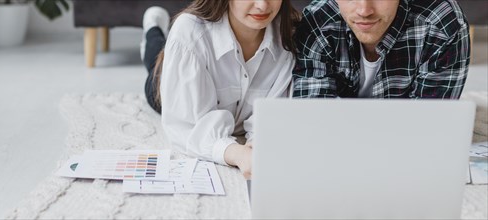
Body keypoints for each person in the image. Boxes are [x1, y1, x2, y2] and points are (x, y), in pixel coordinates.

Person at [140, 0, 300, 179]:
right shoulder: (190, 32)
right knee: (154, 59)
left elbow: (276, 112)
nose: (262, 5)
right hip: (169, 81)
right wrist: (235, 153)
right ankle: (153, 28)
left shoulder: (290, 37)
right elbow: (184, 128)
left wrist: (258, 145)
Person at [292, 0, 470, 98]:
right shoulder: (316, 23)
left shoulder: (443, 24)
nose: (364, 10)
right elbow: (315, 118)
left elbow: (431, 123)